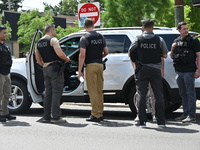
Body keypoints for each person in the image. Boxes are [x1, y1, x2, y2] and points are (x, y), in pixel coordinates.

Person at [128, 18, 168, 128]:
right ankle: (161, 122)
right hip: (155, 70)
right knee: (158, 95)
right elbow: (165, 55)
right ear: (153, 27)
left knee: (141, 94)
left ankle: (142, 122)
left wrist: (137, 62)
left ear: (143, 28)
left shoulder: (138, 39)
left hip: (142, 69)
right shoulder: (159, 40)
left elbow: (130, 52)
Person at [35, 24, 70, 123]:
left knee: (48, 93)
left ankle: (46, 117)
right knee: (56, 92)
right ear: (51, 31)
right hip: (55, 68)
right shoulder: (53, 40)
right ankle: (56, 117)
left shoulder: (38, 42)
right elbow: (59, 53)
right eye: (54, 31)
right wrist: (66, 58)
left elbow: (38, 59)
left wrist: (44, 65)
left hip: (45, 69)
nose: (54, 32)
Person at [78, 18, 109, 122]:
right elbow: (106, 52)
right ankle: (100, 113)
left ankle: (95, 115)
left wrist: (80, 70)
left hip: (90, 65)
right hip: (100, 65)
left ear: (84, 26)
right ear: (93, 25)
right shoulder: (101, 36)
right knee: (99, 90)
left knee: (92, 91)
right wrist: (100, 56)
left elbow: (82, 55)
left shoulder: (84, 38)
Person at [170, 21, 200, 123]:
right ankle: (185, 113)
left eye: (187, 28)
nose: (186, 30)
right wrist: (173, 48)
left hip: (189, 71)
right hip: (179, 71)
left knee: (190, 93)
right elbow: (171, 56)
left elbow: (199, 56)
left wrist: (198, 70)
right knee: (182, 93)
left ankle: (192, 115)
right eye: (184, 29)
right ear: (179, 30)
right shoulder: (176, 40)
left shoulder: (193, 41)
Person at [0, 26, 16, 122]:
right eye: (4, 33)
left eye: (6, 33)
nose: (6, 34)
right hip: (0, 73)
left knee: (7, 93)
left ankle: (5, 113)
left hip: (7, 72)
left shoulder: (4, 45)